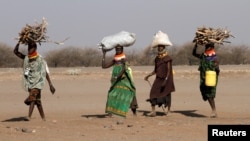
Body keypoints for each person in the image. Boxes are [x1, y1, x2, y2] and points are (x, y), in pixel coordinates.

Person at [14, 41, 56, 121]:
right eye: (29, 47)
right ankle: (43, 118)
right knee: (38, 101)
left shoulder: (40, 59)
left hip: (39, 82)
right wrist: (19, 42)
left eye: (32, 47)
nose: (30, 49)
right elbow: (15, 52)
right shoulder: (27, 58)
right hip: (30, 81)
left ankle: (29, 116)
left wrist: (50, 84)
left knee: (32, 97)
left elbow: (45, 72)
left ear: (35, 48)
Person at [102, 45, 138, 117]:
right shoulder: (115, 60)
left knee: (129, 93)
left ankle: (134, 111)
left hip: (124, 80)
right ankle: (110, 112)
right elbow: (104, 66)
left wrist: (116, 76)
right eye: (116, 49)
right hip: (116, 80)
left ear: (122, 49)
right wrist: (104, 54)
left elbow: (124, 69)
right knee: (111, 93)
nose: (118, 50)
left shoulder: (124, 59)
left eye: (119, 49)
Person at [144, 44, 175, 117]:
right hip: (158, 78)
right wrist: (148, 75)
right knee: (152, 93)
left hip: (167, 79)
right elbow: (155, 70)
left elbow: (168, 70)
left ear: (164, 48)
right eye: (158, 47)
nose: (159, 48)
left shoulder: (168, 58)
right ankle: (153, 111)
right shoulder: (157, 59)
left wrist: (166, 80)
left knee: (167, 94)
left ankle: (168, 111)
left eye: (161, 47)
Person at [192, 42, 220, 118]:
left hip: (211, 79)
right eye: (206, 46)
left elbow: (218, 70)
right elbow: (194, 53)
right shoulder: (203, 56)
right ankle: (213, 110)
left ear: (212, 47)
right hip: (203, 78)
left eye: (208, 46)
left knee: (210, 94)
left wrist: (216, 67)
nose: (206, 48)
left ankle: (214, 111)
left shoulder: (214, 58)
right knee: (205, 93)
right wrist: (195, 46)